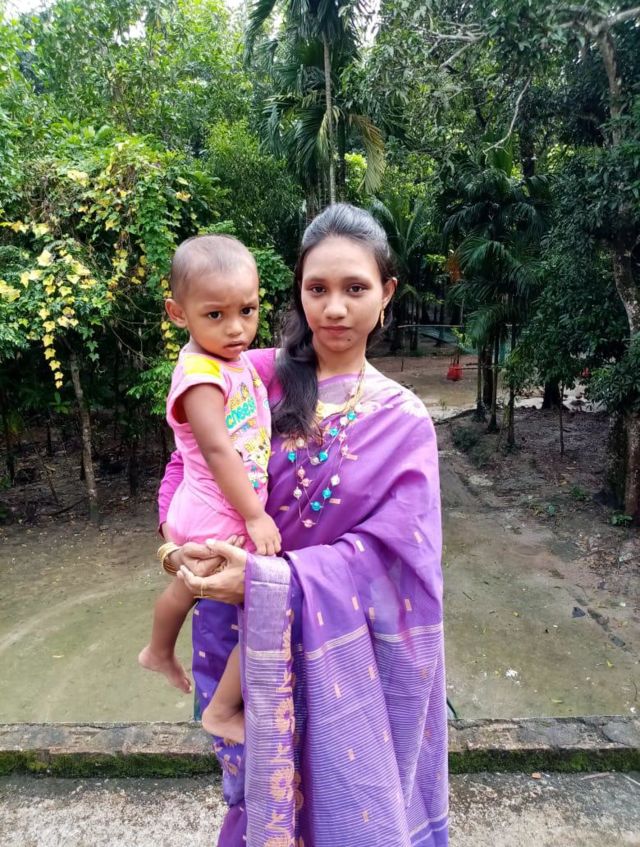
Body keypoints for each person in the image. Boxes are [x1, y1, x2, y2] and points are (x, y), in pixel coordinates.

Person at [158, 204, 449, 846]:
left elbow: (399, 560)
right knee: (257, 799)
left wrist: (274, 582)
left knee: (339, 808)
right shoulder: (249, 375)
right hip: (236, 633)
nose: (334, 308)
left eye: (355, 289)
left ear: (387, 294)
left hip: (339, 651)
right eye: (317, 289)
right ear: (299, 292)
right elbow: (188, 461)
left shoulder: (402, 421)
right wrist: (181, 546)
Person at [139, 234, 281, 744]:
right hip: (217, 509)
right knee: (265, 609)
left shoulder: (231, 359)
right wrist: (255, 515)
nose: (236, 327)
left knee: (188, 589)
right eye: (215, 315)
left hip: (212, 505)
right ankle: (219, 710)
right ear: (178, 314)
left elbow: (283, 355)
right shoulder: (199, 377)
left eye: (248, 310)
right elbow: (217, 451)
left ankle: (158, 650)